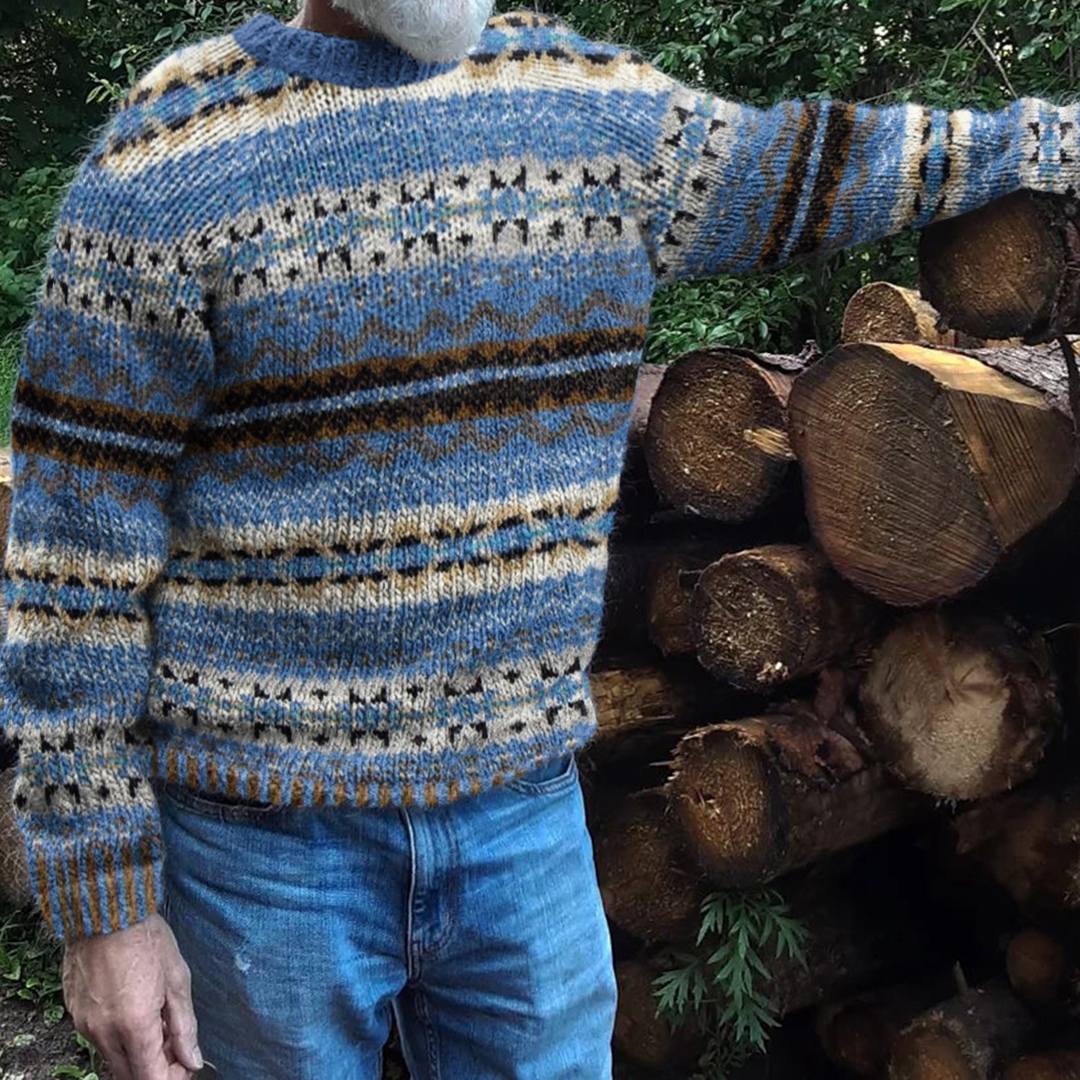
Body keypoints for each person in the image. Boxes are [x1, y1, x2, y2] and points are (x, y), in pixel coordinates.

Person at [0, 0, 1076, 1076]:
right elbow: (69, 560)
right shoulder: (175, 151)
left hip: (522, 826)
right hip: (258, 850)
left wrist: (1044, 138)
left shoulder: (582, 114)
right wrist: (103, 908)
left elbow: (815, 167)